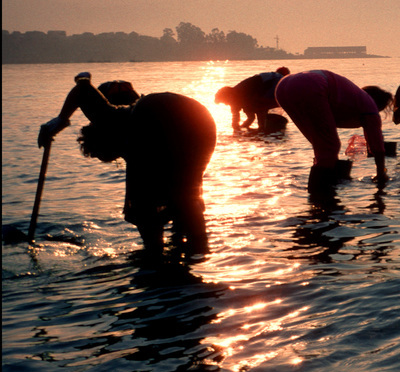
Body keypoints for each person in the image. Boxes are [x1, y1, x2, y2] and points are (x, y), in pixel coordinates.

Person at [37, 72, 216, 258]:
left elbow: (82, 88)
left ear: (101, 136)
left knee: (144, 206)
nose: (112, 160)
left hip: (167, 117)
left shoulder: (112, 119)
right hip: (203, 124)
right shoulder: (132, 130)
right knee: (185, 197)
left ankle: (155, 255)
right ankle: (198, 249)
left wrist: (59, 121)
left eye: (101, 155)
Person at [275, 70, 393, 193]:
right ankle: (320, 197)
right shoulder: (369, 105)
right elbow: (377, 147)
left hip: (283, 86)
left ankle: (320, 189)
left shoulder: (352, 97)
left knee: (321, 146)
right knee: (330, 147)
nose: (377, 113)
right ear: (378, 104)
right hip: (312, 84)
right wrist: (381, 174)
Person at [215, 67, 289, 132]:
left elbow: (260, 109)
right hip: (265, 84)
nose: (226, 104)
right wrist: (239, 128)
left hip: (272, 82)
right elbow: (248, 117)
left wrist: (260, 128)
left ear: (229, 97)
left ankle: (264, 128)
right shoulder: (236, 100)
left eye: (224, 102)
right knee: (257, 110)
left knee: (261, 108)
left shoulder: (241, 94)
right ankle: (264, 128)